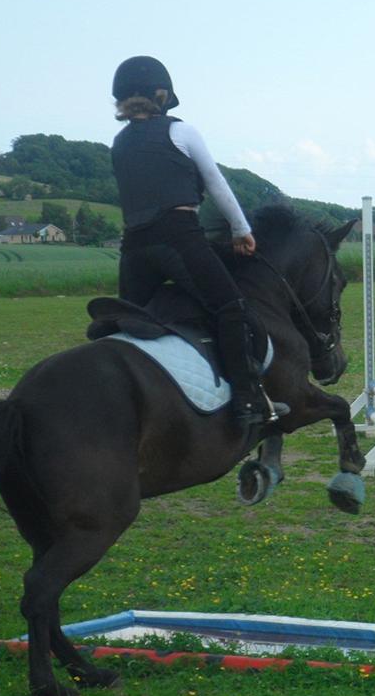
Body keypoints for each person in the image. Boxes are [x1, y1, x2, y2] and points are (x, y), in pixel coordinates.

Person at [109, 56, 283, 427]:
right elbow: (215, 182)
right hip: (178, 240)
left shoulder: (119, 143)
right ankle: (249, 400)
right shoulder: (181, 132)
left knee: (127, 325)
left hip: (134, 250)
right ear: (161, 94)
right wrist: (241, 229)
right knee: (231, 306)